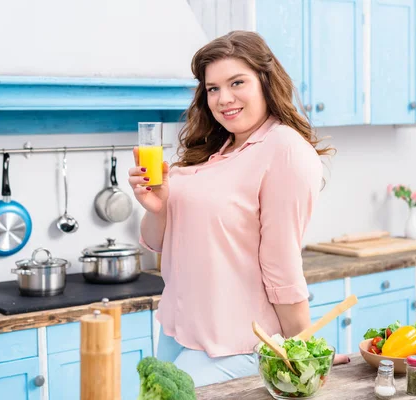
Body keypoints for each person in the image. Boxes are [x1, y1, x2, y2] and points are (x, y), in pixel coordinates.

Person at [128, 30, 349, 388]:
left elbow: (281, 266)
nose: (223, 98)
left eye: (236, 82)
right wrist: (156, 209)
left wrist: (304, 350)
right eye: (212, 88)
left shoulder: (285, 150)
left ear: (265, 80)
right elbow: (159, 244)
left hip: (238, 340)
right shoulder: (215, 149)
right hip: (178, 327)